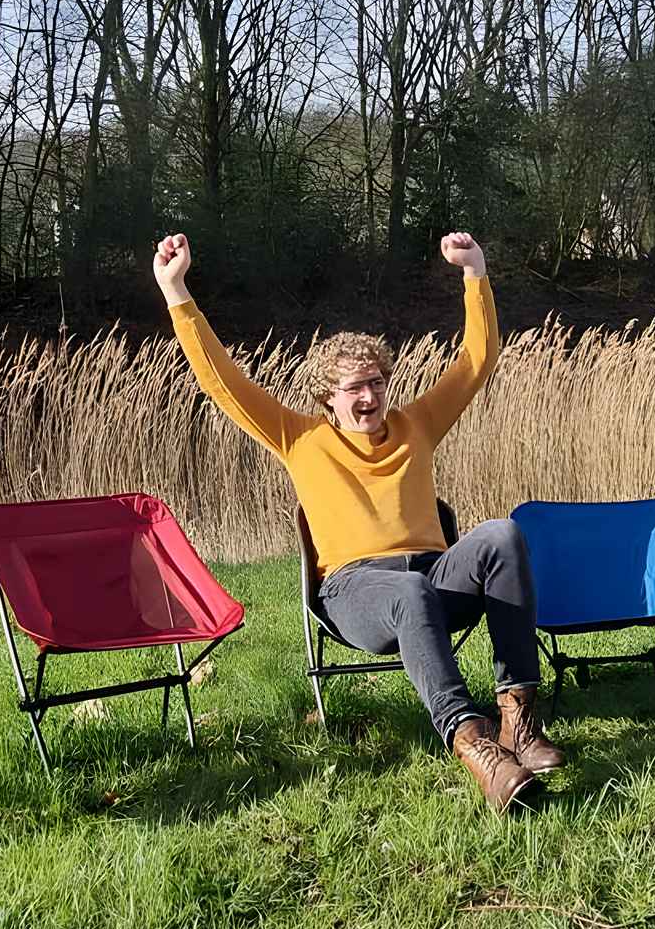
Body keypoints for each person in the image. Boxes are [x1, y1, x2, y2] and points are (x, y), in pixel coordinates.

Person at [151, 229, 563, 812]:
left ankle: (517, 719)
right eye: (354, 388)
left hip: (433, 576)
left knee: (501, 534)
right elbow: (223, 382)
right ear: (328, 399)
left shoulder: (416, 424)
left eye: (377, 382)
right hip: (356, 592)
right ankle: (473, 744)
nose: (369, 397)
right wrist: (176, 292)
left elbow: (476, 361)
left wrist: (475, 274)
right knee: (408, 590)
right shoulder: (301, 438)